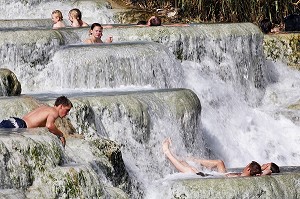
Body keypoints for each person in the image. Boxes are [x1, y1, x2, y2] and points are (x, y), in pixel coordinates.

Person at [163, 137, 263, 177]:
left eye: (247, 166)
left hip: (211, 177)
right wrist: (259, 172)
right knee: (189, 166)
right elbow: (267, 171)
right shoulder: (248, 176)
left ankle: (167, 152)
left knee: (188, 169)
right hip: (214, 175)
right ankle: (176, 155)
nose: (245, 166)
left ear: (249, 169)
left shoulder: (241, 177)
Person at [0, 96, 73, 147]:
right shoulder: (54, 112)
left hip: (15, 121)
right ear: (61, 106)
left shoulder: (45, 108)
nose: (67, 113)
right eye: (67, 110)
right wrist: (61, 134)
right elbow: (49, 125)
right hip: (19, 126)